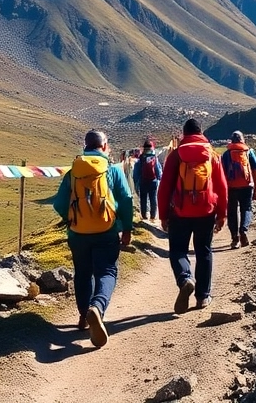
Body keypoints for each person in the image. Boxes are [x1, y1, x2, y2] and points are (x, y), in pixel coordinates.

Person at [52, 130, 133, 348]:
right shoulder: (113, 170)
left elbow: (59, 203)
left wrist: (72, 219)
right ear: (105, 146)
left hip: (78, 234)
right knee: (106, 271)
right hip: (107, 232)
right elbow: (126, 199)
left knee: (83, 272)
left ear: (84, 146)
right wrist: (126, 228)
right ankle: (96, 307)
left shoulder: (73, 171)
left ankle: (82, 315)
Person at [158, 118, 228, 314]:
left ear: (184, 134)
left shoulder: (176, 155)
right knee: (204, 251)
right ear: (201, 132)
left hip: (179, 211)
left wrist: (163, 215)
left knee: (178, 250)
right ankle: (203, 296)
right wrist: (222, 214)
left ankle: (185, 279)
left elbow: (164, 188)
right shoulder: (212, 155)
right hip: (206, 210)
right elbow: (222, 186)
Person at [220, 131, 256, 249]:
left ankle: (235, 239)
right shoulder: (248, 152)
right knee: (247, 209)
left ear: (231, 141)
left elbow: (222, 173)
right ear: (243, 140)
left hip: (231, 187)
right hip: (247, 186)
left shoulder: (226, 154)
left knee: (232, 212)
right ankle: (243, 230)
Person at [132, 138, 163, 222]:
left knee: (143, 199)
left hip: (143, 182)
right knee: (153, 198)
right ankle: (153, 216)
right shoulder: (154, 158)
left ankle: (144, 216)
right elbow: (158, 171)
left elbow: (136, 173)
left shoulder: (141, 159)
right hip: (153, 182)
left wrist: (136, 182)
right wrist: (159, 178)